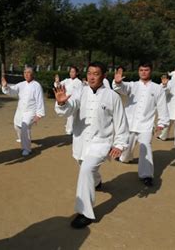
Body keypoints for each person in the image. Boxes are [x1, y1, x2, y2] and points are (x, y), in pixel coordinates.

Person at [54, 61, 129, 229]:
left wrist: (119, 144)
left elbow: (121, 122)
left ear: (103, 76)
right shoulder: (79, 92)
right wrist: (61, 103)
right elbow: (68, 109)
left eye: (96, 74)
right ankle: (97, 181)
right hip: (81, 141)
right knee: (85, 167)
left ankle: (85, 213)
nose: (92, 77)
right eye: (89, 73)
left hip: (101, 143)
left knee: (86, 169)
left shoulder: (112, 97)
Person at [112, 62, 169, 186]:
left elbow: (162, 106)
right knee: (126, 151)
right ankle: (124, 158)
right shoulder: (132, 85)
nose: (143, 72)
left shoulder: (157, 88)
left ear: (151, 71)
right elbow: (120, 88)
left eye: (146, 70)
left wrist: (162, 122)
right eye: (141, 70)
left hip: (146, 125)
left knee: (146, 147)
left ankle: (146, 175)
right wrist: (117, 82)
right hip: (130, 123)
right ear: (138, 71)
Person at [1, 67, 45, 156]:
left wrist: (39, 114)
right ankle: (23, 138)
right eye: (25, 72)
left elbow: (40, 100)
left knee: (25, 127)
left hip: (31, 111)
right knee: (16, 125)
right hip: (20, 110)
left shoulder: (37, 85)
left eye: (29, 72)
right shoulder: (21, 84)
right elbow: (12, 91)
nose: (26, 74)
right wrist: (6, 86)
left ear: (33, 74)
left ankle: (26, 149)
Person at [59, 66, 83, 135]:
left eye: (73, 72)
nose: (71, 73)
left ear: (76, 73)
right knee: (69, 116)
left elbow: (80, 93)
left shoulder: (79, 82)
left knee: (73, 116)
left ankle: (71, 130)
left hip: (75, 101)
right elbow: (59, 85)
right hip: (67, 100)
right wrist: (57, 82)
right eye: (70, 72)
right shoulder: (67, 80)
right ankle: (69, 129)